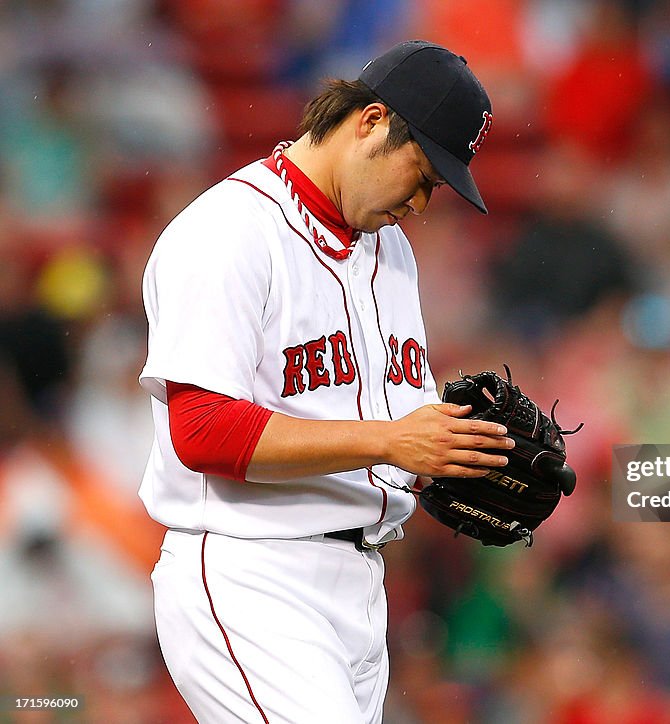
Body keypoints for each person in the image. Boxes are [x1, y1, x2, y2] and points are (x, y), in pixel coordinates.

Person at [138, 40, 510, 723]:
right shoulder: (228, 232)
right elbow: (201, 431)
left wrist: (459, 458)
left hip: (361, 580)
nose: (423, 202)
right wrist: (393, 443)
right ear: (370, 122)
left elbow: (392, 426)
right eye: (423, 173)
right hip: (252, 572)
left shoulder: (389, 248)